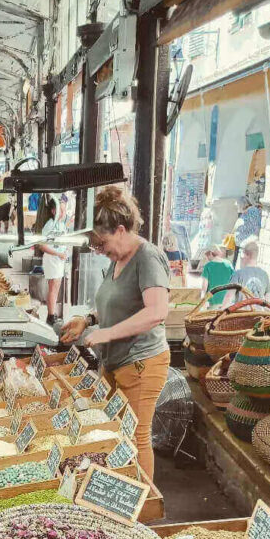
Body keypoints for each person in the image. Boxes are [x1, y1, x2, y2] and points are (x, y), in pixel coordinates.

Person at [59, 186, 169, 480]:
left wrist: (107, 334)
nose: (100, 250)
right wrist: (89, 319)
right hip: (117, 362)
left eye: (103, 242)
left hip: (142, 362)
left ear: (121, 230)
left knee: (136, 436)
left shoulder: (147, 258)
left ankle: (144, 505)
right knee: (116, 432)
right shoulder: (117, 260)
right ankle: (118, 492)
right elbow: (116, 303)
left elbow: (156, 311)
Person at [37, 197, 68, 326]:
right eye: (61, 210)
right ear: (54, 211)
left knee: (56, 288)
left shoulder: (61, 224)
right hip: (52, 260)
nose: (63, 212)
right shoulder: (50, 224)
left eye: (64, 210)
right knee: (53, 288)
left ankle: (53, 313)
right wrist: (58, 253)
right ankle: (50, 315)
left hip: (59, 260)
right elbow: (41, 245)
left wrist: (64, 253)